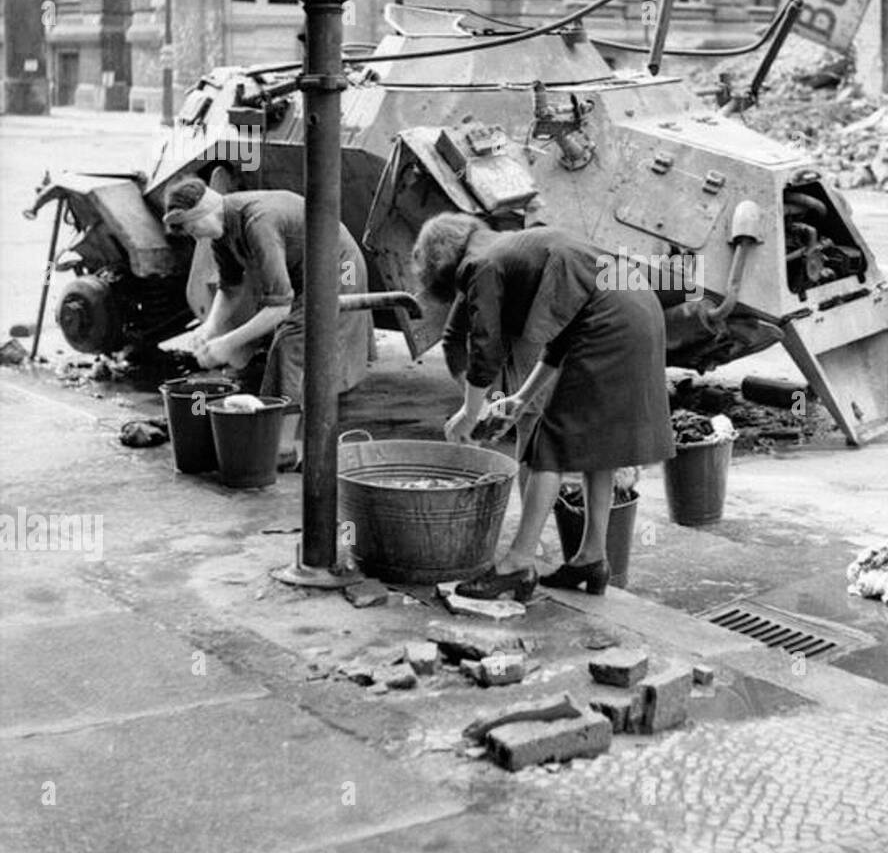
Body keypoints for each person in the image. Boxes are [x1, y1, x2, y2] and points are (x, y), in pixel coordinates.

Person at [412, 215, 673, 602]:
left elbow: (486, 346)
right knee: (598, 444)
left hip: (612, 319)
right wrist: (519, 399)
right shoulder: (508, 249)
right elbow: (559, 339)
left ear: (439, 260)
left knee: (547, 445)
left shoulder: (479, 264)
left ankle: (517, 562)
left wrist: (470, 412)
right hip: (638, 304)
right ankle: (592, 557)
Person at [162, 179, 371, 467]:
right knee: (287, 345)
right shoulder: (220, 231)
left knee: (290, 344)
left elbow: (279, 307)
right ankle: (281, 437)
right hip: (304, 273)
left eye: (192, 227)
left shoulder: (258, 222)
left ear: (204, 212)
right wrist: (209, 328)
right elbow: (231, 287)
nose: (194, 236)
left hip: (341, 268)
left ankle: (283, 451)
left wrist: (227, 343)